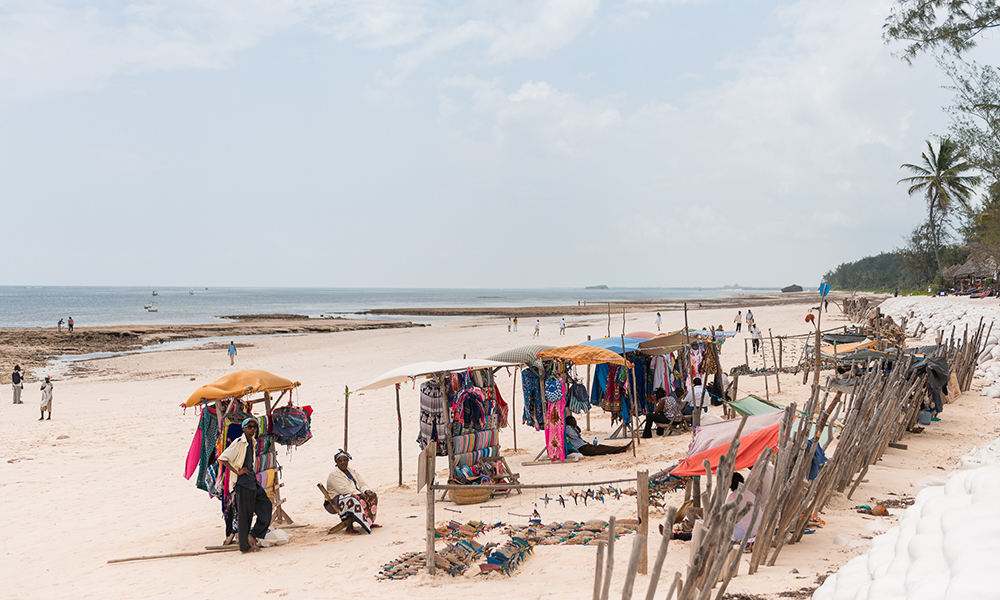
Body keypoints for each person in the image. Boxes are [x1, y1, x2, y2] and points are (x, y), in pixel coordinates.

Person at [218, 417, 272, 552]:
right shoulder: (238, 443)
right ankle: (244, 546)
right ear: (243, 429)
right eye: (250, 426)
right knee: (245, 516)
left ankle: (253, 535)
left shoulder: (252, 442)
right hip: (242, 483)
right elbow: (223, 458)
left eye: (254, 427)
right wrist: (237, 471)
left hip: (252, 481)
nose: (253, 429)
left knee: (266, 506)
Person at [326, 450, 379, 534]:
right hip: (335, 500)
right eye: (340, 461)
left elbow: (362, 484)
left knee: (372, 495)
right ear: (337, 462)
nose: (343, 463)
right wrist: (359, 494)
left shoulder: (352, 471)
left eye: (345, 460)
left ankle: (368, 522)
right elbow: (344, 489)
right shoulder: (334, 474)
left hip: (353, 494)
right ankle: (349, 527)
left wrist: (366, 491)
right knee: (352, 499)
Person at [565, 415, 632, 456]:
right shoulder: (568, 428)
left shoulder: (572, 428)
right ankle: (622, 449)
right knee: (602, 449)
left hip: (584, 446)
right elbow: (575, 436)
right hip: (582, 448)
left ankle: (622, 448)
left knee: (601, 448)